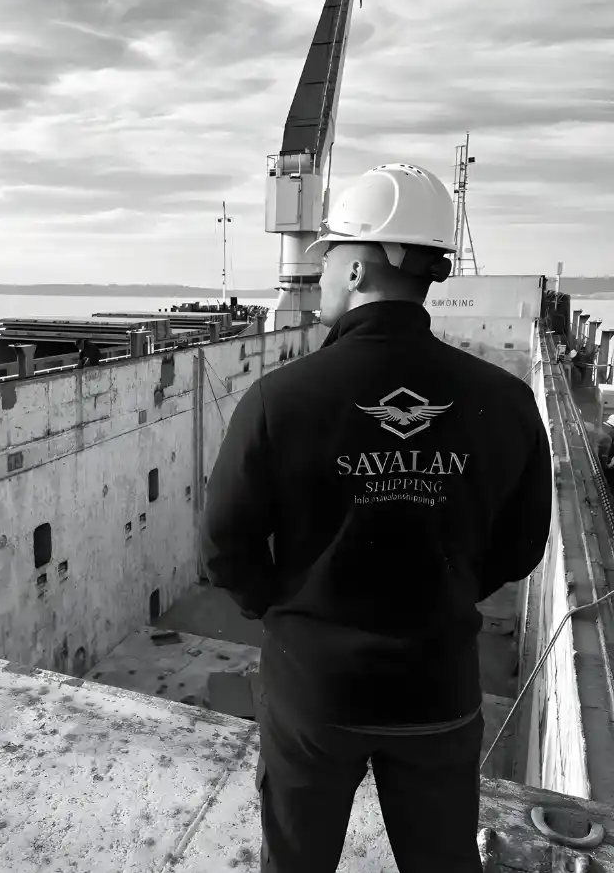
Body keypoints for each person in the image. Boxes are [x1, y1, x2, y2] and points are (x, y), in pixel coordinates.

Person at [199, 163, 553, 873]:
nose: (320, 273)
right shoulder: (505, 400)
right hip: (438, 686)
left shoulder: (279, 400)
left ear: (359, 269)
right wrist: (446, 588)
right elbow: (519, 548)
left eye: (326, 256)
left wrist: (291, 608)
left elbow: (225, 548)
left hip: (315, 688)